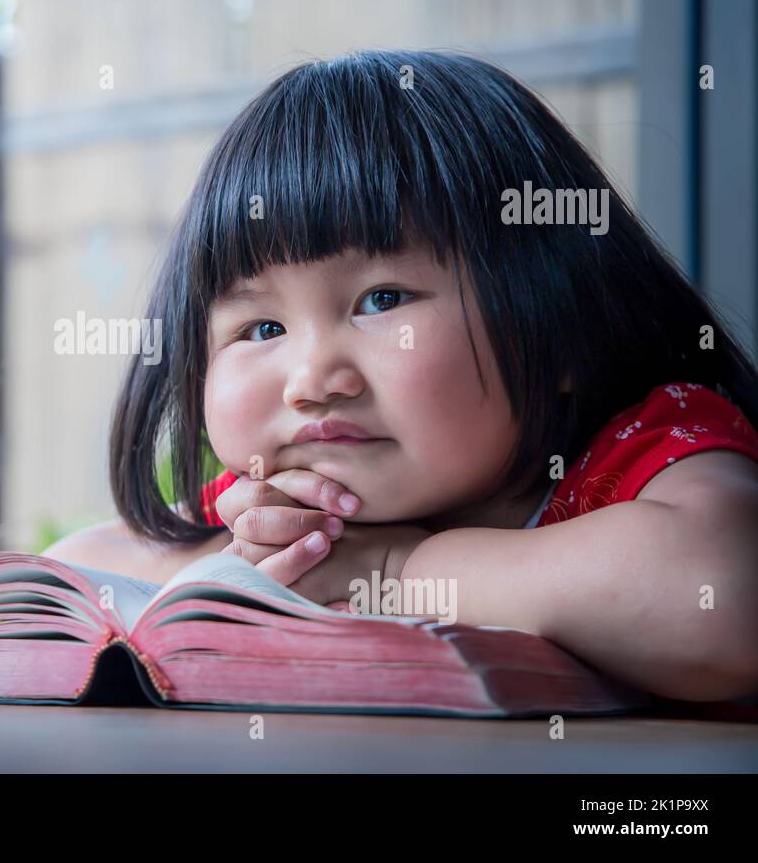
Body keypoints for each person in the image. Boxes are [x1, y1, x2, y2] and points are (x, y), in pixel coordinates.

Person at [44, 51, 758, 702]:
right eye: (261, 329)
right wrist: (248, 561)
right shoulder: (286, 509)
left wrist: (392, 570)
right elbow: (73, 571)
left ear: (563, 326)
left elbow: (723, 596)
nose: (313, 379)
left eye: (383, 299)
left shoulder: (642, 450)